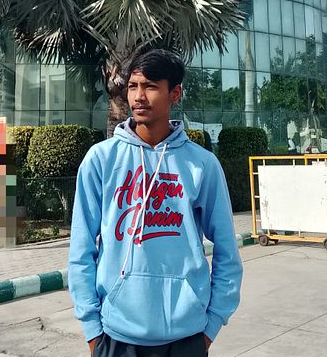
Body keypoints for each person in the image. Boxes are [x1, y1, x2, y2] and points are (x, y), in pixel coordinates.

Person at [69, 49, 243, 357]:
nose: (138, 96)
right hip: (116, 335)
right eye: (133, 86)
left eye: (150, 86)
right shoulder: (101, 159)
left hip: (187, 336)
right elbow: (81, 249)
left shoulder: (202, 164)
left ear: (175, 93)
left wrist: (212, 325)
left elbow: (227, 251)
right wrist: (92, 331)